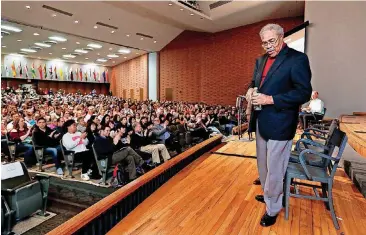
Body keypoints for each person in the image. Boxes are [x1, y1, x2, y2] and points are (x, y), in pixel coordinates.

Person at [245, 23, 312, 227]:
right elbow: (254, 82)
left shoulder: (297, 59)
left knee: (275, 169)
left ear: (282, 37)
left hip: (281, 122)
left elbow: (303, 93)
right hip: (261, 121)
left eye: (271, 41)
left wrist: (270, 99)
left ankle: (273, 208)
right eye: (264, 42)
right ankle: (268, 196)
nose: (268, 46)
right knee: (263, 166)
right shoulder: (260, 60)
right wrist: (249, 91)